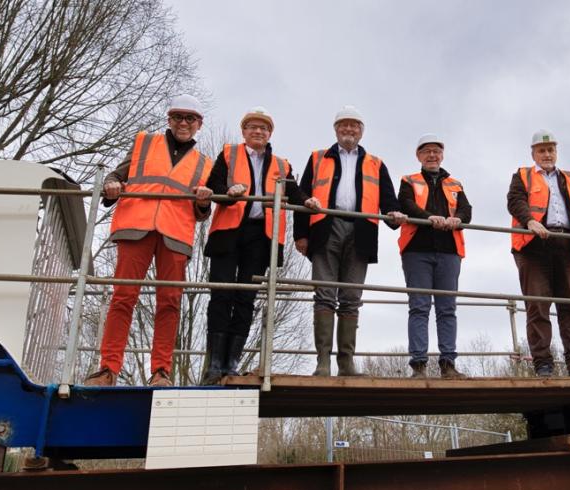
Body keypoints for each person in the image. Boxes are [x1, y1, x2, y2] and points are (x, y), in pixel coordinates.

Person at [84, 94, 214, 387]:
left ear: (199, 124)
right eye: (178, 117)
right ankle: (108, 369)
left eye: (190, 119)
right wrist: (112, 185)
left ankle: (161, 372)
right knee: (123, 298)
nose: (183, 123)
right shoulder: (144, 144)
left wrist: (204, 202)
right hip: (136, 228)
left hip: (175, 236)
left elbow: (202, 211)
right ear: (169, 120)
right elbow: (115, 177)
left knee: (170, 303)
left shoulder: (205, 164)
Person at [294, 105, 407, 376]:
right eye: (343, 125)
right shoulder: (318, 157)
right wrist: (301, 234)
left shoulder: (376, 163)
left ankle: (346, 363)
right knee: (324, 295)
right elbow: (301, 195)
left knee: (351, 298)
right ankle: (323, 362)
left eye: (354, 125)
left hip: (361, 232)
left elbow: (388, 200)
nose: (348, 129)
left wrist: (394, 215)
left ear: (361, 131)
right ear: (335, 129)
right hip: (324, 230)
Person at [201, 107, 303, 384]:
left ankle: (232, 361)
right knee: (221, 294)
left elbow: (295, 193)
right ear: (244, 131)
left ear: (270, 134)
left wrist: (309, 201)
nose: (258, 132)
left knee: (246, 298)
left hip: (261, 237)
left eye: (263, 128)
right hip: (228, 233)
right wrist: (228, 193)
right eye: (252, 127)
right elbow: (214, 186)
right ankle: (215, 363)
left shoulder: (282, 164)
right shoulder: (228, 154)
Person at [507, 130, 570, 377]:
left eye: (551, 150)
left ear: (556, 152)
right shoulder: (522, 176)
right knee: (538, 305)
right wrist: (530, 221)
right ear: (533, 154)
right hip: (534, 246)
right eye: (542, 150)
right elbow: (514, 201)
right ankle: (543, 363)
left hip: (566, 245)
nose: (547, 154)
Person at [397, 134, 472, 379]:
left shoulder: (455, 183)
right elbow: (406, 204)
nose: (432, 155)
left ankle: (448, 364)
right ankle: (418, 365)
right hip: (417, 250)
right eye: (427, 151)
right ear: (419, 156)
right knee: (419, 307)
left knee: (447, 309)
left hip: (449, 252)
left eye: (436, 151)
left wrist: (458, 219)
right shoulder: (409, 180)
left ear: (442, 155)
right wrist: (429, 216)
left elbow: (466, 210)